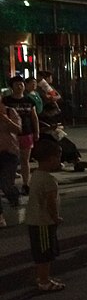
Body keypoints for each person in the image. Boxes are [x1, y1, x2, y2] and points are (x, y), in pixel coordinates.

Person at [25, 139, 65, 292]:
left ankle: (42, 277)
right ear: (51, 159)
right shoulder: (49, 180)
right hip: (43, 222)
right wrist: (55, 218)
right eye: (58, 158)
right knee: (45, 253)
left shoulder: (36, 175)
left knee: (40, 251)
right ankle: (44, 280)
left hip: (34, 220)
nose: (59, 162)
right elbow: (51, 203)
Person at [4, 75, 39, 195]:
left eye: (21, 84)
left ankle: (26, 184)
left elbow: (34, 117)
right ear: (12, 87)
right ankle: (10, 185)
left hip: (26, 133)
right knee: (10, 160)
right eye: (17, 84)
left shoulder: (29, 101)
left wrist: (36, 132)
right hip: (11, 134)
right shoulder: (6, 101)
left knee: (25, 160)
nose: (20, 86)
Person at [0, 94, 22, 228]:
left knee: (6, 183)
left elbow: (18, 129)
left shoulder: (10, 111)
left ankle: (14, 196)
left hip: (9, 152)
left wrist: (5, 119)